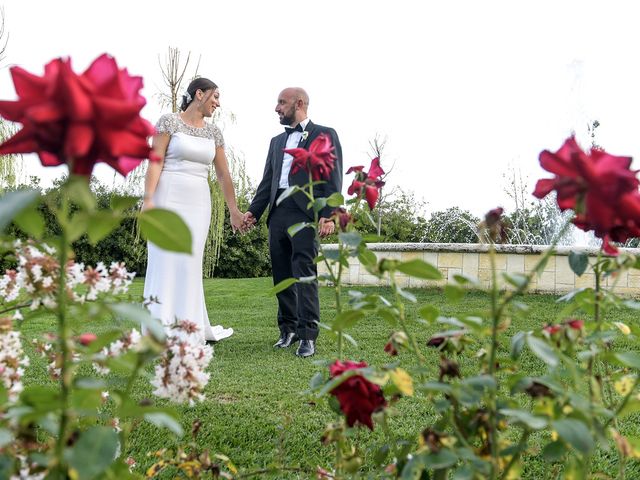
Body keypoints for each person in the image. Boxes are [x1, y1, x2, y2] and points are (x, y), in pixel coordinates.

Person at [142, 77, 245, 344]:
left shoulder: (214, 134)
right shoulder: (169, 122)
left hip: (198, 202)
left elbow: (223, 175)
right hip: (167, 195)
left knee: (189, 262)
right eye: (215, 97)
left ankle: (188, 327)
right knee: (163, 259)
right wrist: (148, 200)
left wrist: (234, 210)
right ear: (199, 94)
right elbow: (155, 162)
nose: (218, 103)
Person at [244, 87, 343, 357]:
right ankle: (287, 330)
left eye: (281, 103)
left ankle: (307, 335)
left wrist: (328, 214)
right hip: (278, 214)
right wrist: (254, 211)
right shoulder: (276, 141)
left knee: (304, 274)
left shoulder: (325, 134)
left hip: (306, 214)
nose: (277, 108)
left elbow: (333, 176)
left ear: (299, 103)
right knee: (282, 276)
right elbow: (268, 181)